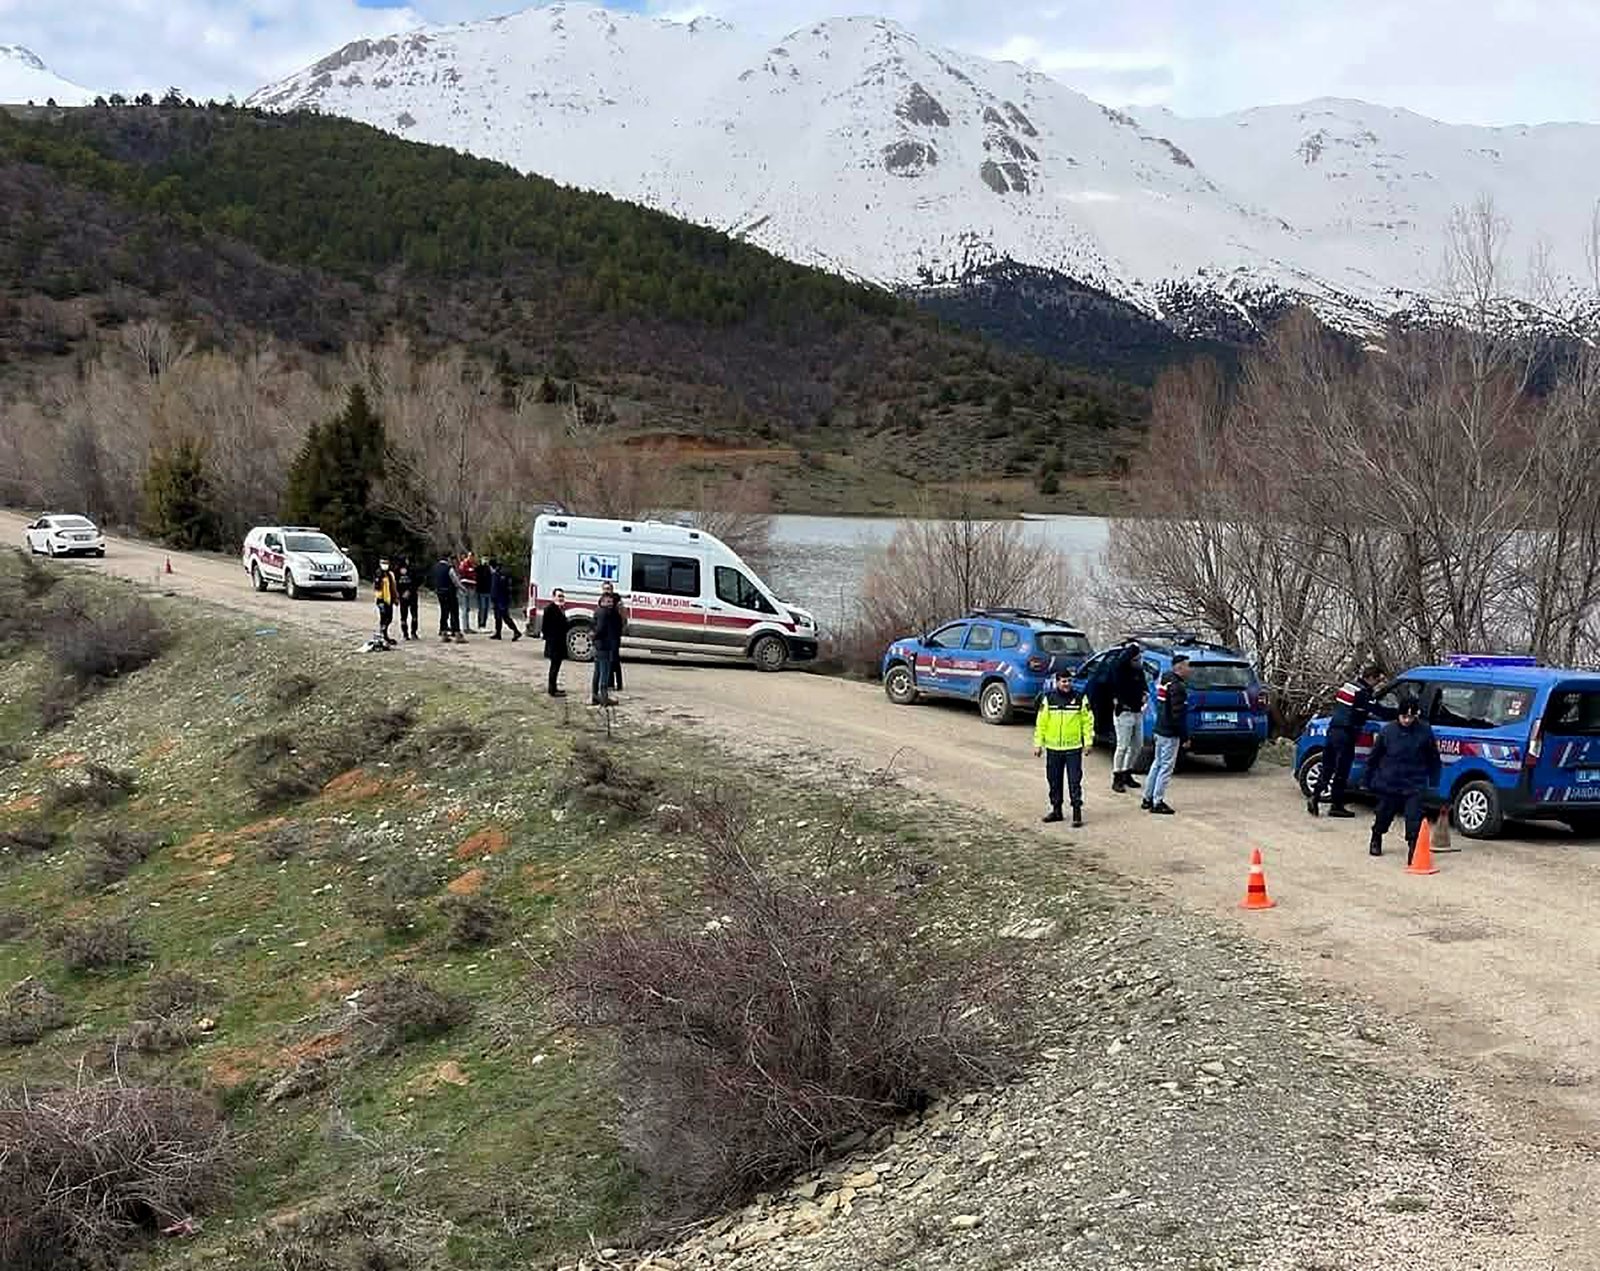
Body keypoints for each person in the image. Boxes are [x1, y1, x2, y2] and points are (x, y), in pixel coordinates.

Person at [1363, 695, 1441, 860]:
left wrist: (1434, 779)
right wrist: (1367, 779)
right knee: (1383, 814)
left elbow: (1433, 757)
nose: (1407, 720)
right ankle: (1376, 836)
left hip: (1414, 783)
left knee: (1414, 817)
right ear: (1398, 715)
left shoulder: (1424, 731)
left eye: (1410, 717)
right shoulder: (1388, 731)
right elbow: (1374, 757)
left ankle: (1413, 847)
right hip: (1390, 781)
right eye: (1404, 716)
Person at [1309, 664, 1389, 818]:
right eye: (1377, 680)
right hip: (1346, 733)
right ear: (1370, 678)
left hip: (1333, 729)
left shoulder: (1347, 686)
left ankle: (1315, 796)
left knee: (1328, 767)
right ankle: (1336, 806)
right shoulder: (1363, 693)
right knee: (1342, 770)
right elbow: (1379, 711)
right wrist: (1400, 713)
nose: (1377, 684)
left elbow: (1351, 708)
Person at [1034, 670, 1094, 826]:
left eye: (1069, 681)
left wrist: (1088, 742)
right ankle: (1056, 811)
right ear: (1057, 682)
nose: (1067, 684)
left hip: (1073, 747)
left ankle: (1076, 813)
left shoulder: (1080, 698)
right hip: (1053, 748)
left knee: (1074, 781)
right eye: (1063, 681)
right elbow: (1041, 722)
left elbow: (1087, 721)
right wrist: (1038, 743)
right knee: (1054, 781)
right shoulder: (1048, 698)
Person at [1143, 654, 1190, 815]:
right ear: (1179, 667)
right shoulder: (1178, 687)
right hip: (1170, 733)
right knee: (1166, 767)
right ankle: (1157, 801)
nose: (1189, 669)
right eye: (1187, 666)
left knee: (1157, 764)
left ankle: (1147, 798)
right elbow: (1178, 715)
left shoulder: (1165, 680)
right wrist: (1184, 736)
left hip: (1160, 729)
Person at [1110, 642, 1148, 794]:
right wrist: (1134, 646)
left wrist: (1145, 694)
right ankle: (1117, 777)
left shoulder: (1139, 671)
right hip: (1124, 713)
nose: (1138, 661)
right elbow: (1122, 660)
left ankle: (1127, 772)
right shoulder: (1120, 669)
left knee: (1138, 745)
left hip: (1137, 712)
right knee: (1123, 746)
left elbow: (1144, 686)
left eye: (1139, 658)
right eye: (1136, 659)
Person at [591, 591, 623, 706]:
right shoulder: (605, 613)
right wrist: (595, 636)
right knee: (604, 673)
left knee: (597, 672)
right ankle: (604, 698)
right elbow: (601, 629)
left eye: (611, 602)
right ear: (602, 602)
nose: (610, 604)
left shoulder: (599, 611)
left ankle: (595, 696)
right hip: (604, 646)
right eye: (608, 602)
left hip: (599, 645)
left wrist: (594, 638)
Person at [542, 588, 570, 697]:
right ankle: (552, 690)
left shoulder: (560, 609)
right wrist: (550, 639)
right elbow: (545, 627)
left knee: (556, 667)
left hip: (559, 642)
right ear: (553, 597)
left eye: (562, 596)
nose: (561, 598)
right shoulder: (549, 609)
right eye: (559, 596)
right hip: (554, 643)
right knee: (554, 667)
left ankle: (554, 687)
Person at [601, 580, 626, 693]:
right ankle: (609, 683)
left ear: (612, 589)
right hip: (606, 634)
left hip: (615, 633)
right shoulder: (602, 600)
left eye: (608, 589)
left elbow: (623, 617)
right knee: (608, 659)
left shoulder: (617, 601)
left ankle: (619, 683)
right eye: (605, 589)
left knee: (614, 659)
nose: (606, 591)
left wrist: (620, 628)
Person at [432, 552, 463, 643]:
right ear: (448, 558)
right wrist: (462, 588)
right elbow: (455, 580)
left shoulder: (435, 567)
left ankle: (444, 633)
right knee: (454, 612)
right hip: (450, 593)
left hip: (440, 592)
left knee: (444, 613)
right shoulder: (449, 568)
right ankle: (457, 634)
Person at [489, 561, 522, 641]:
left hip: (499, 600)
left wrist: (493, 598)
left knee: (504, 617)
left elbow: (494, 588)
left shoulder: (496, 575)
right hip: (503, 599)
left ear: (491, 567)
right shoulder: (503, 574)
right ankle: (498, 633)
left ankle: (516, 631)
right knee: (500, 617)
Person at [372, 557, 399, 648]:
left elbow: (393, 587)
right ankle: (382, 635)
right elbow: (377, 588)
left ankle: (384, 634)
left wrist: (395, 598)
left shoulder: (390, 574)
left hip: (389, 600)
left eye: (387, 563)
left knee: (389, 618)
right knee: (384, 618)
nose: (385, 565)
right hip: (382, 600)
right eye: (383, 563)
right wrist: (380, 600)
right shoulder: (379, 574)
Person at [395, 557, 420, 641]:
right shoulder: (397, 571)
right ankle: (406, 634)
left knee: (413, 615)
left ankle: (413, 633)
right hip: (404, 596)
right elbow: (395, 584)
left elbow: (416, 582)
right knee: (404, 616)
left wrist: (409, 591)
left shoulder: (412, 570)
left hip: (411, 595)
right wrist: (399, 594)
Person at [456, 550, 478, 632]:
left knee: (468, 608)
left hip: (471, 587)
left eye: (472, 557)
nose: (472, 558)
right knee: (464, 608)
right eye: (470, 556)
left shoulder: (473, 565)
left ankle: (467, 627)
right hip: (465, 588)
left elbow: (474, 575)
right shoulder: (464, 564)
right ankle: (465, 627)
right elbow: (462, 574)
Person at [477, 557, 495, 631]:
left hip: (488, 591)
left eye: (487, 559)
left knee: (487, 609)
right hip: (481, 591)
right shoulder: (479, 568)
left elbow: (493, 575)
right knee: (482, 608)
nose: (485, 561)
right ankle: (480, 624)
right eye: (484, 559)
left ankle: (484, 624)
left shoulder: (489, 569)